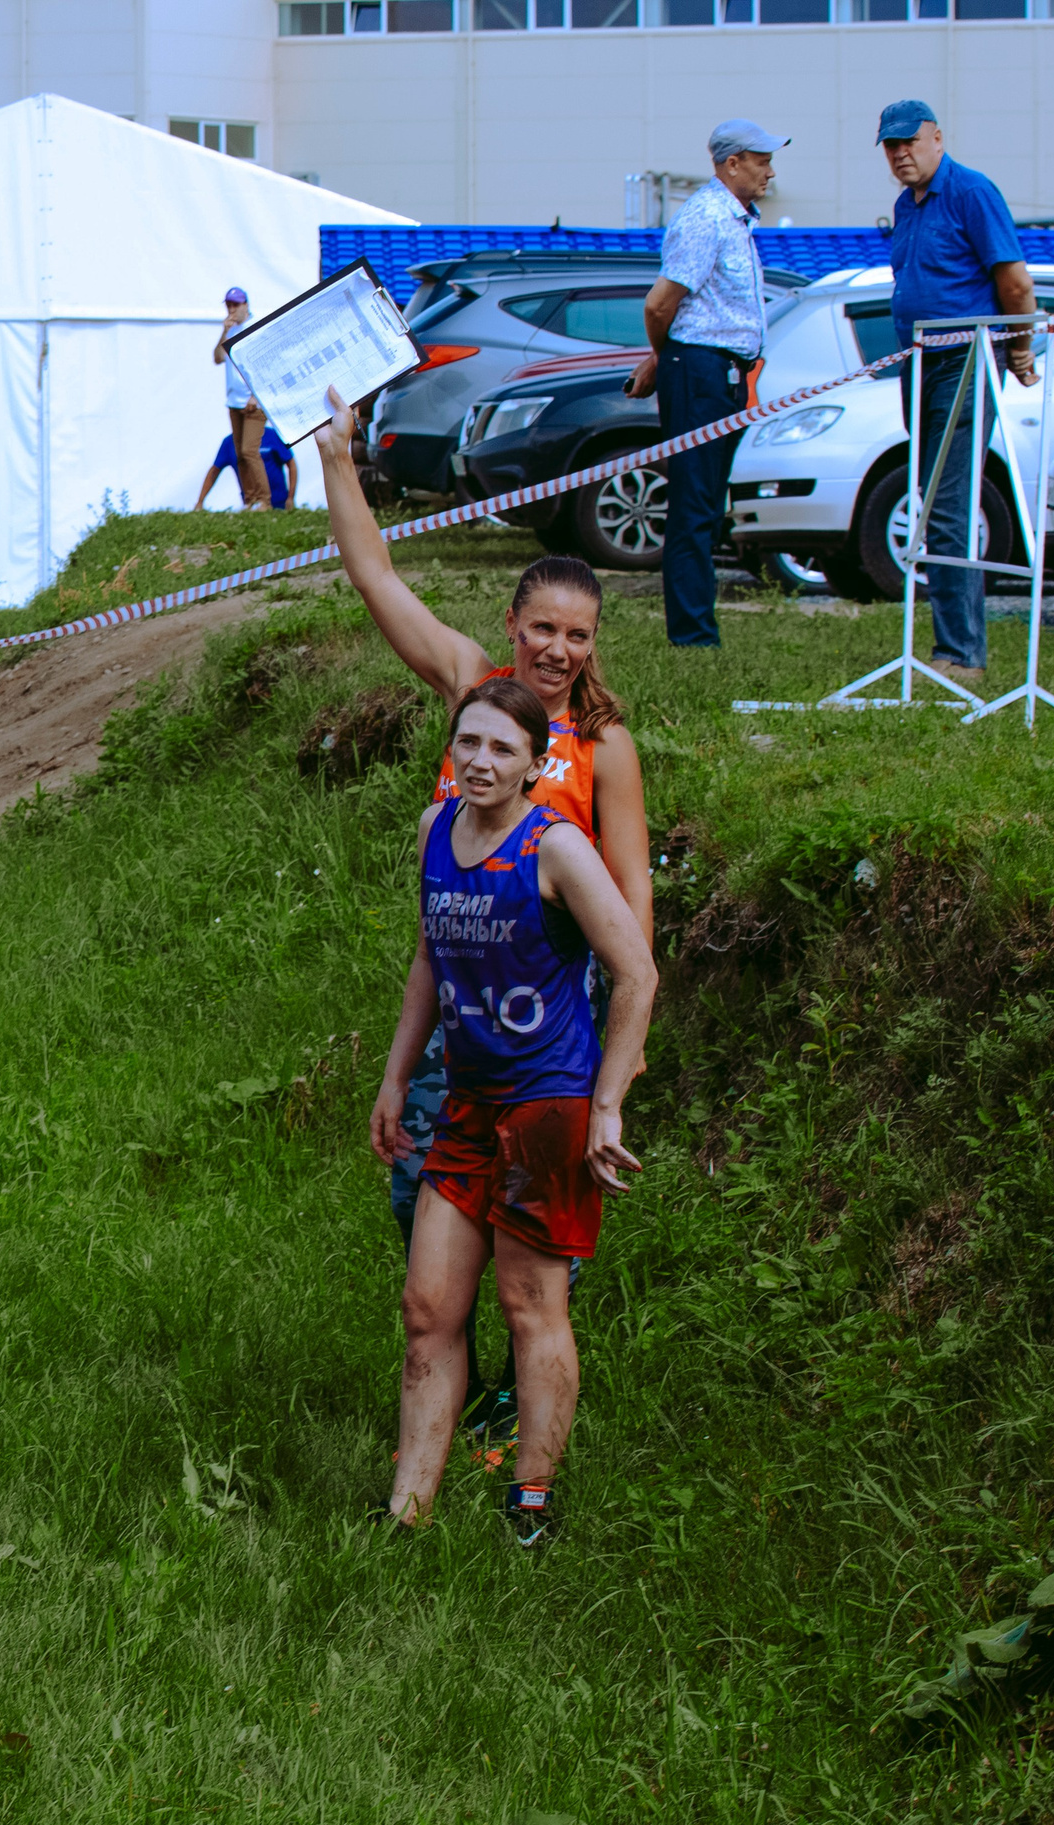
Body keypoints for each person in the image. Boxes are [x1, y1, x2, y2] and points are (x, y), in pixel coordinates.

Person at [314, 384, 652, 1442]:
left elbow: (633, 899)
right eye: (542, 628)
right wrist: (336, 460)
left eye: (578, 635)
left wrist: (627, 1052)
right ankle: (449, 1371)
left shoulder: (603, 746)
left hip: (551, 1016)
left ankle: (516, 1396)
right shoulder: (471, 688)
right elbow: (376, 576)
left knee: (533, 1225)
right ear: (511, 628)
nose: (558, 649)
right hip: (455, 994)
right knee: (419, 1190)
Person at [368, 676, 656, 1544]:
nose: (482, 761)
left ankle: (531, 1501)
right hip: (465, 1102)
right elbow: (431, 960)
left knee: (530, 1305)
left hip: (547, 1107)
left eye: (503, 748)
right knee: (428, 1309)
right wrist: (395, 1078)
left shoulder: (556, 847)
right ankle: (407, 1513)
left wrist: (607, 1104)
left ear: (536, 764)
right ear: (450, 750)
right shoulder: (436, 830)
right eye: (469, 742)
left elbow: (636, 973)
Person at [879, 100, 1035, 685]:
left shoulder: (972, 191)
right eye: (891, 146)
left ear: (937, 139)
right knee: (931, 499)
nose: (900, 154)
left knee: (948, 502)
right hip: (920, 359)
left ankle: (961, 654)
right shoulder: (907, 204)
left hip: (966, 359)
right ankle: (953, 646)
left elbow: (1015, 284)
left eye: (910, 142)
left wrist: (1019, 350)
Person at [624, 120, 787, 650]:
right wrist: (664, 357)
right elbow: (660, 305)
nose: (770, 171)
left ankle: (698, 626)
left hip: (721, 372)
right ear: (732, 163)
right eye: (762, 160)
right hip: (699, 371)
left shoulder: (735, 219)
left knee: (708, 503)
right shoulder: (707, 217)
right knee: (694, 505)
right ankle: (692, 636)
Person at [215, 286, 269, 511]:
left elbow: (265, 365)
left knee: (249, 450)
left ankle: (265, 500)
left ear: (246, 305)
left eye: (235, 304)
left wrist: (256, 396)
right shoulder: (230, 330)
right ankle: (250, 500)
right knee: (240, 455)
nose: (231, 309)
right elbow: (218, 358)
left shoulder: (255, 328)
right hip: (234, 401)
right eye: (228, 305)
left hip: (253, 403)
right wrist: (224, 332)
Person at [194, 420, 297, 511]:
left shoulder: (272, 435)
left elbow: (291, 464)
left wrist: (290, 497)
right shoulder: (229, 443)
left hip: (280, 503)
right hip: (253, 506)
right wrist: (200, 501)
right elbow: (214, 471)